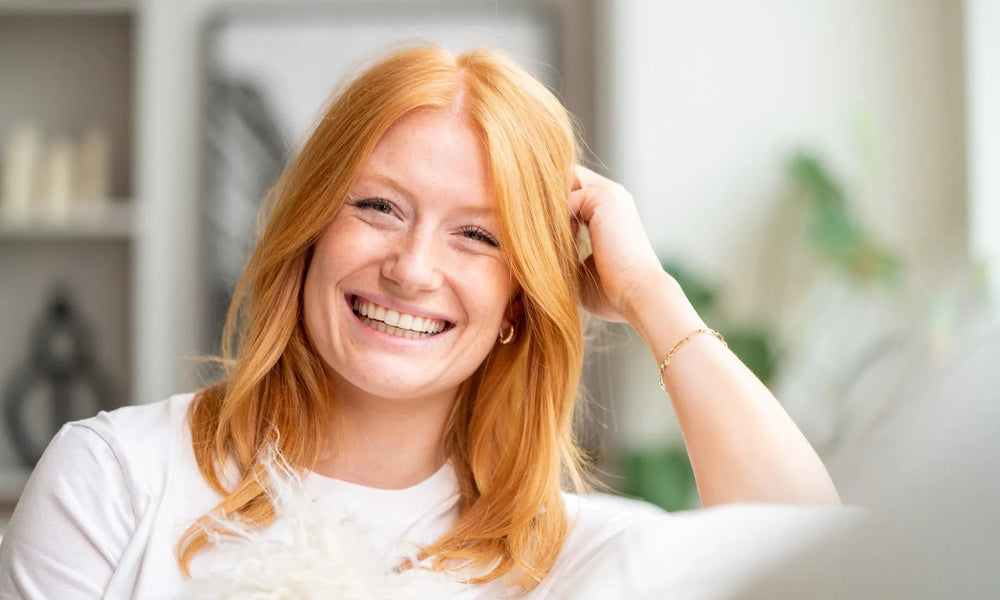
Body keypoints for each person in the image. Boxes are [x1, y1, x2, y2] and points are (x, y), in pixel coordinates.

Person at [0, 45, 840, 598]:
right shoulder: (113, 483)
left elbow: (823, 572)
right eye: (377, 206)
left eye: (478, 234)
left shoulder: (584, 561)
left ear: (521, 298)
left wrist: (650, 294)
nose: (412, 268)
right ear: (310, 230)